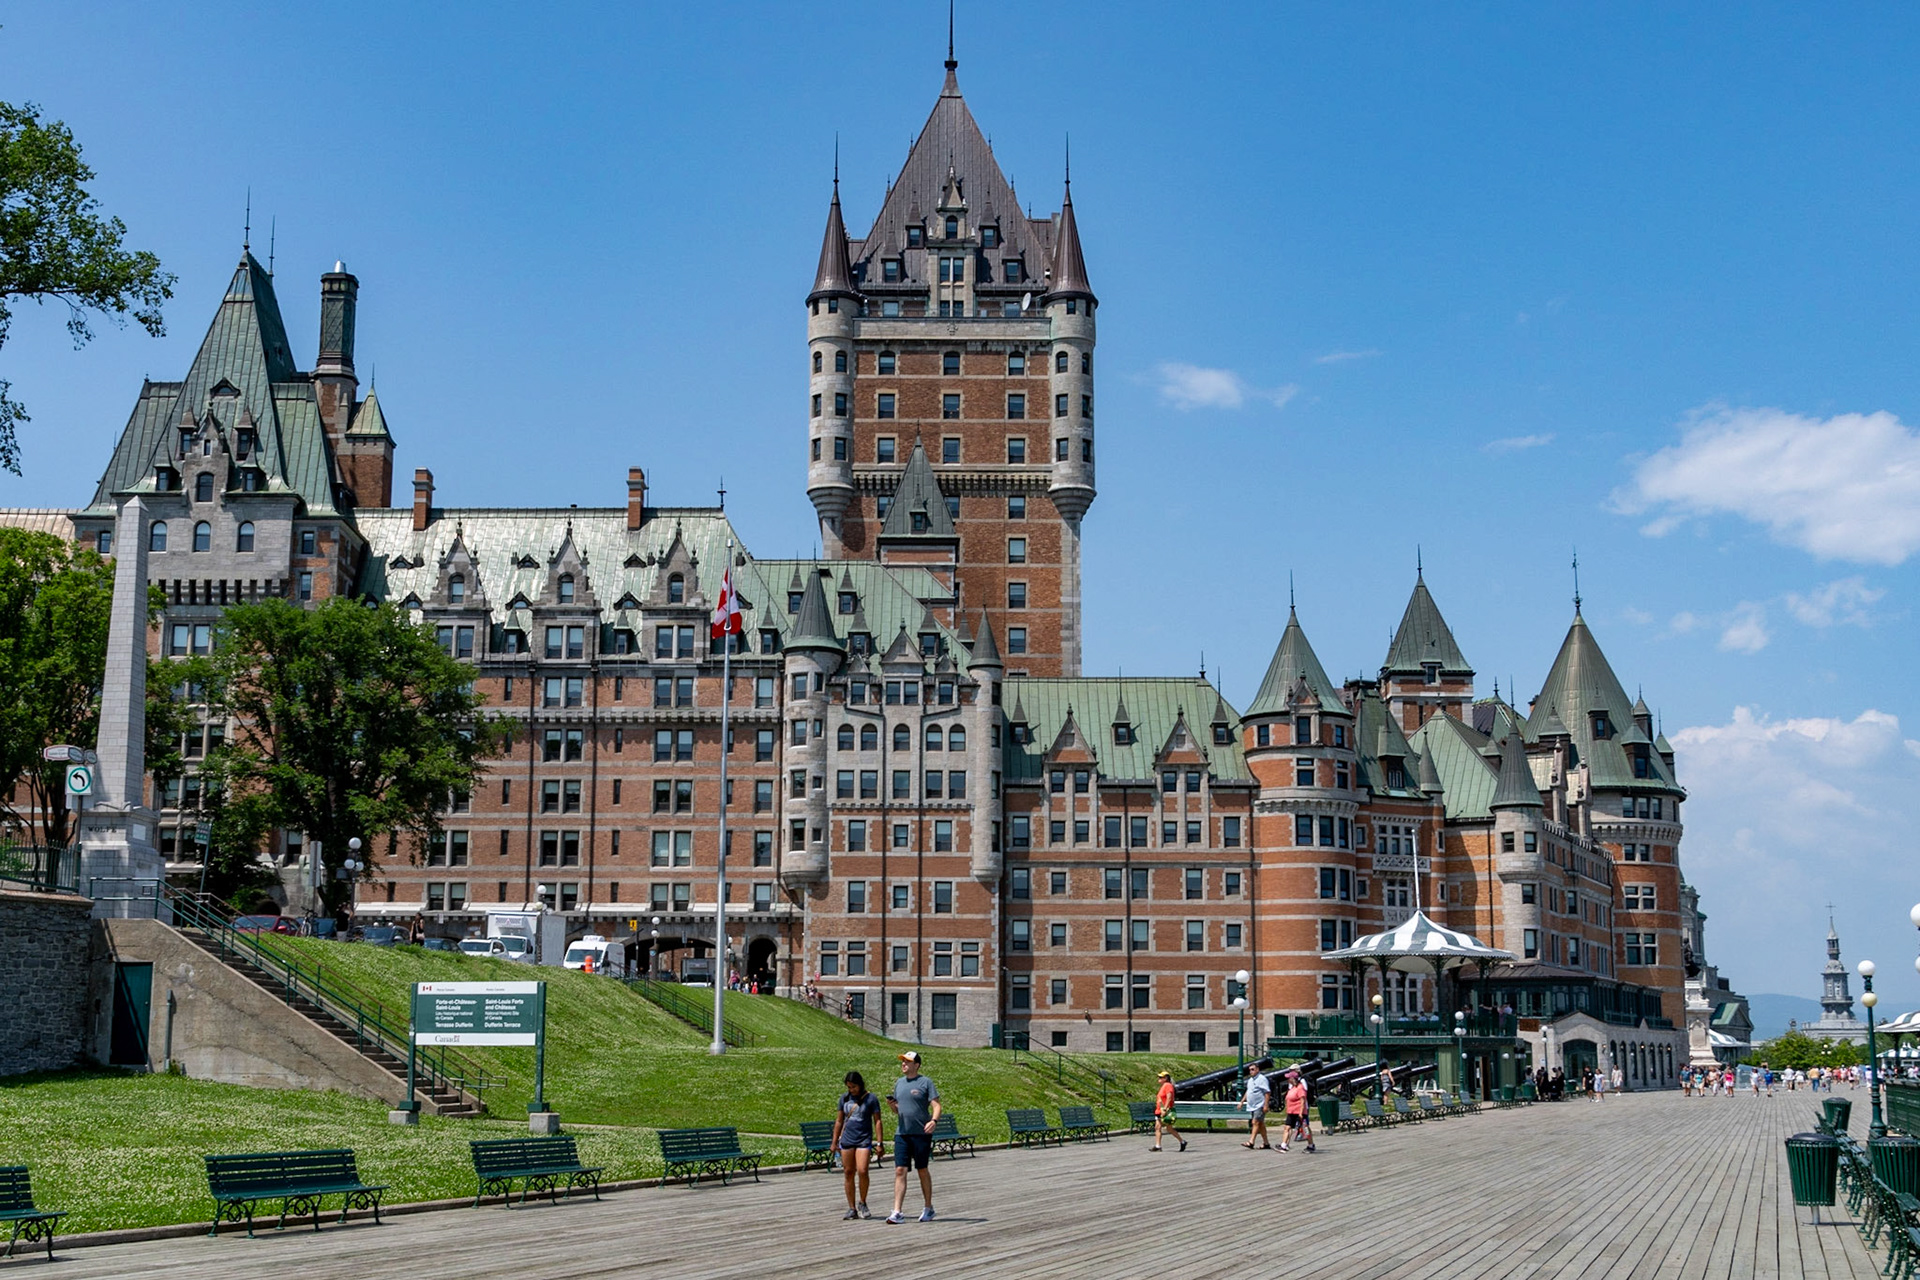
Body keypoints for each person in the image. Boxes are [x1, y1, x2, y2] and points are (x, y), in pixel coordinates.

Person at [885, 1051, 940, 1224]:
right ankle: (897, 1211)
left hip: (920, 1134)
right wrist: (892, 1106)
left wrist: (933, 1120)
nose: (903, 1064)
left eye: (907, 1062)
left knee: (922, 1169)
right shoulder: (899, 1083)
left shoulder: (926, 1082)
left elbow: (936, 1105)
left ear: (916, 1065)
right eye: (902, 1061)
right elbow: (898, 1110)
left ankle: (928, 1207)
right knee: (900, 1170)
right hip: (902, 1133)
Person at [831, 1070, 882, 1220]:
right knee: (848, 1172)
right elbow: (839, 1120)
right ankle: (851, 1207)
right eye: (849, 1087)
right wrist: (834, 1142)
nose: (851, 1090)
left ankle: (863, 1202)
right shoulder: (844, 1099)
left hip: (863, 1139)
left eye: (853, 1087)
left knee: (862, 1170)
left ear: (860, 1085)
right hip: (847, 1140)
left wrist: (879, 1142)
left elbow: (877, 1121)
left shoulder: (871, 1099)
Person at [1151, 1070, 1186, 1152]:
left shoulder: (1168, 1085)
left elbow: (1169, 1097)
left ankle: (1182, 1141)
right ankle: (1158, 1145)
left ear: (1166, 1078)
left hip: (1164, 1110)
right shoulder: (1163, 1086)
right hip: (1159, 1110)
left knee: (1167, 1128)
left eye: (1161, 1077)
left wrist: (1165, 1109)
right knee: (1158, 1127)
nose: (1159, 1078)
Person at [1282, 1068, 1315, 1153]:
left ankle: (1311, 1145)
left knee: (1305, 1128)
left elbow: (1302, 1100)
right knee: (1287, 1127)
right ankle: (1284, 1145)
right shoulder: (1292, 1088)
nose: (1287, 1079)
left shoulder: (1300, 1087)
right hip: (1291, 1112)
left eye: (1289, 1078)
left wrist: (1301, 1113)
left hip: (1299, 1112)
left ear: (1293, 1079)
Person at [1240, 1063, 1272, 1150]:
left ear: (1257, 1069)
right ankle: (1266, 1143)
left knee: (1255, 1122)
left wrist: (1266, 1105)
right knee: (1260, 1124)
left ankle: (1251, 1142)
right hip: (1252, 1105)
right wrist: (1242, 1102)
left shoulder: (1262, 1079)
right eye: (1250, 1070)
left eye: (1253, 1069)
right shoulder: (1251, 1080)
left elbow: (1267, 1092)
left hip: (1259, 1105)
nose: (1251, 1071)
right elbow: (1248, 1091)